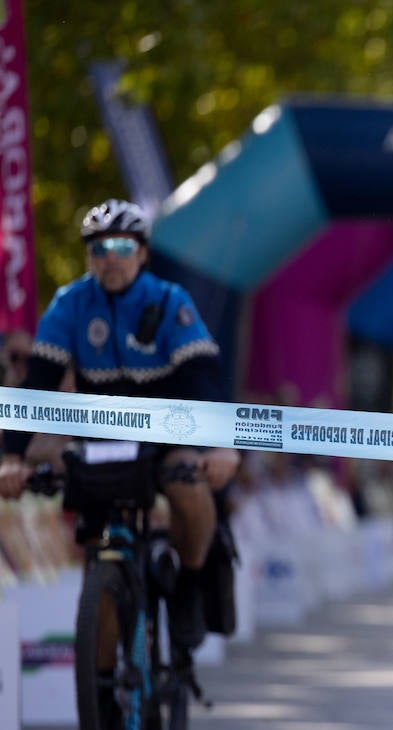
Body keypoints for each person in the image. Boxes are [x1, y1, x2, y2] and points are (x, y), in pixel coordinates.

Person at [0, 200, 239, 677]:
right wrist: (10, 457)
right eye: (98, 248)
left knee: (190, 490)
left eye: (121, 247)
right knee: (100, 551)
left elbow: (206, 379)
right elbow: (39, 384)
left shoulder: (170, 301)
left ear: (142, 253)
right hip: (102, 440)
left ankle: (189, 584)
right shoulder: (71, 303)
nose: (109, 257)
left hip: (172, 431)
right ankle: (103, 690)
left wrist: (219, 445)